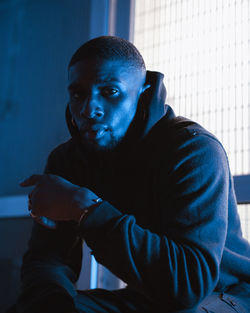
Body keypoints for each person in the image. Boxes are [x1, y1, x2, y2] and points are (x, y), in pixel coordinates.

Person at [13, 36, 249, 313]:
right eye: (78, 94)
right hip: (151, 298)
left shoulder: (193, 150)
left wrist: (82, 206)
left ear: (142, 93)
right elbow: (48, 258)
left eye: (110, 92)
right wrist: (51, 304)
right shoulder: (67, 161)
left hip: (226, 295)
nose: (89, 109)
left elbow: (188, 285)